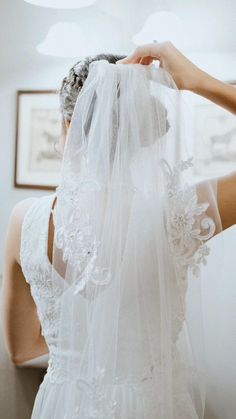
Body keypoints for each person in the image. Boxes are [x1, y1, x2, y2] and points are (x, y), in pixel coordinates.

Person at [2, 43, 235, 419]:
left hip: (64, 406)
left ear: (68, 126)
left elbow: (22, 350)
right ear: (146, 132)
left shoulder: (23, 221)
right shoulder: (177, 213)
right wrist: (198, 81)